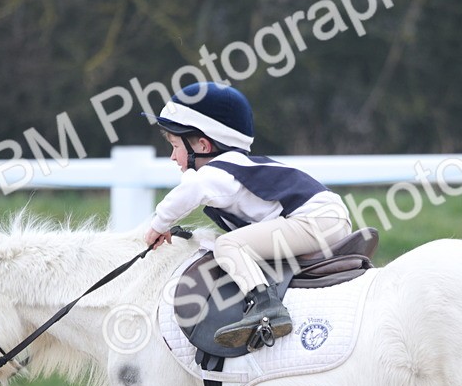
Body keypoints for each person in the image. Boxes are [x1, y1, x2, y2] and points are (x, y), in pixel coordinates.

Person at [144, 82, 352, 349]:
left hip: (315, 220)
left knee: (227, 245)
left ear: (204, 146)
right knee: (229, 244)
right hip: (325, 217)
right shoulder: (234, 169)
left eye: (175, 146)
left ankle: (267, 308)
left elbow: (191, 189)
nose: (173, 157)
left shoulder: (217, 171)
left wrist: (158, 224)